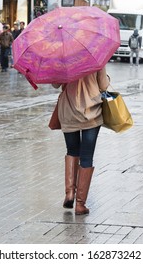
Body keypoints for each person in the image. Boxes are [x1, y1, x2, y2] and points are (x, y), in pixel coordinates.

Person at [52, 67, 110, 215]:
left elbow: (55, 84)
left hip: (68, 111)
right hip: (91, 112)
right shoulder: (95, 57)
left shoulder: (63, 58)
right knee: (87, 156)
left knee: (71, 151)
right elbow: (103, 86)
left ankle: (69, 193)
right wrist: (107, 78)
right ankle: (80, 204)